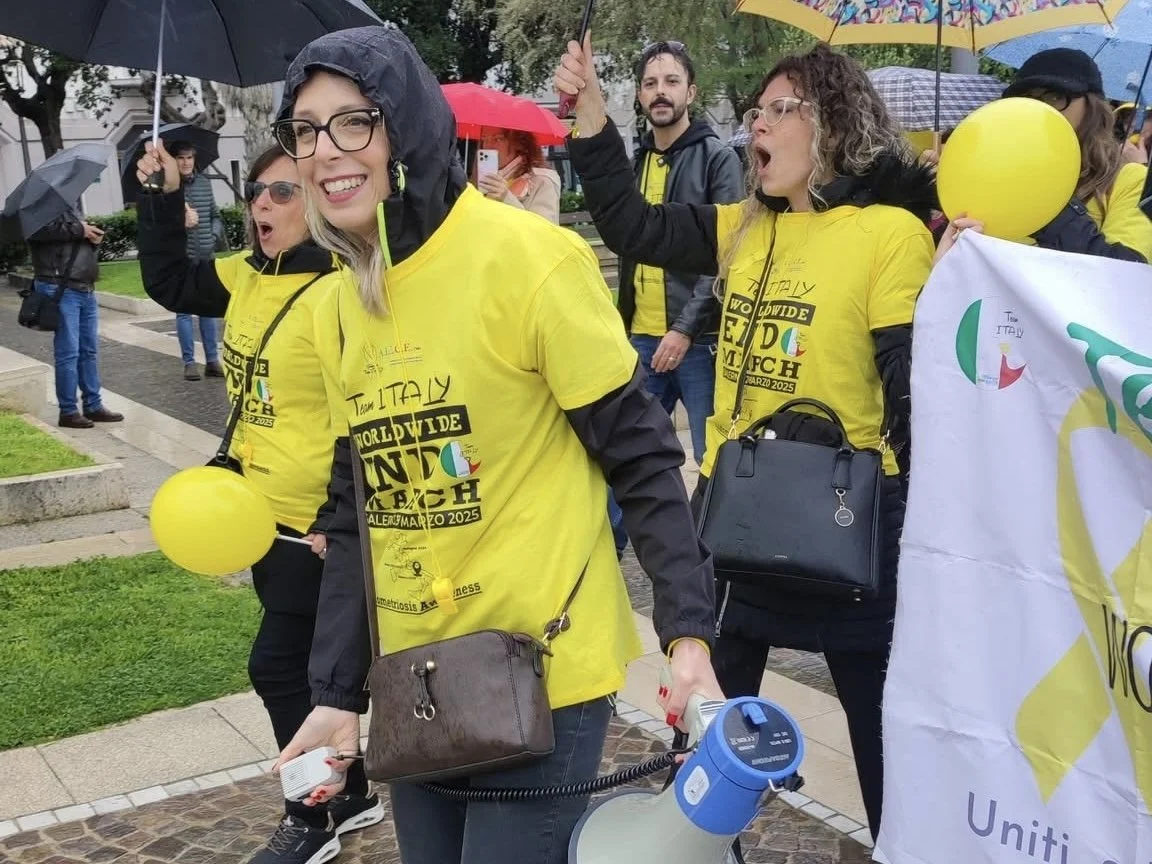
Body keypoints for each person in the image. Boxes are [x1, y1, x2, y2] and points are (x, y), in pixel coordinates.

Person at [268, 26, 722, 864]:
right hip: (418, 678)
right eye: (305, 129)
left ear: (405, 128)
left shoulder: (531, 261)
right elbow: (356, 509)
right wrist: (336, 696)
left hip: (542, 669)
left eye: (353, 121)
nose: (326, 150)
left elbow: (645, 458)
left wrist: (687, 638)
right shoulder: (337, 307)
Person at [556, 36, 937, 847]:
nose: (755, 124)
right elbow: (635, 225)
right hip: (733, 520)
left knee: (881, 746)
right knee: (708, 737)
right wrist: (591, 121)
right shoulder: (743, 227)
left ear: (829, 123)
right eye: (753, 111)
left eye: (777, 109)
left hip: (849, 525)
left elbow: (910, 395)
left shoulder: (890, 235)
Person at [134, 142, 382, 864]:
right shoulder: (246, 274)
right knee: (305, 668)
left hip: (317, 527)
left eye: (281, 193)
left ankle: (312, 818)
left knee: (279, 667)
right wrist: (158, 197)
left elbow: (357, 422)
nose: (261, 207)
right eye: (257, 193)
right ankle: (353, 788)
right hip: (261, 517)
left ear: (317, 200)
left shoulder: (339, 291)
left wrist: (338, 520)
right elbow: (170, 280)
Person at [607, 39, 745, 559]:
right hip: (638, 338)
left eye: (670, 81)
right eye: (649, 83)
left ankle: (718, 567)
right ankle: (605, 563)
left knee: (714, 460)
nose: (660, 92)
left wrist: (686, 328)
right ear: (640, 95)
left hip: (701, 343)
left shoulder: (718, 158)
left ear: (691, 90)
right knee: (628, 458)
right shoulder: (637, 161)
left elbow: (729, 257)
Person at [939, 48, 1152, 262]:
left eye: (1055, 97)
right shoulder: (997, 176)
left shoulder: (1129, 180)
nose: (1039, 109)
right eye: (1027, 99)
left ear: (1092, 106)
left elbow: (1128, 270)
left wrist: (1048, 201)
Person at [28, 209, 123, 429]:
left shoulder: (71, 209)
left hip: (85, 288)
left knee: (89, 350)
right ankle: (68, 411)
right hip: (61, 288)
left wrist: (94, 239)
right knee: (68, 353)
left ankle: (93, 404)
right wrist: (80, 229)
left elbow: (76, 246)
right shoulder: (37, 212)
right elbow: (40, 233)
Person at [172, 141, 225, 381]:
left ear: (194, 159)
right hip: (183, 257)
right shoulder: (170, 187)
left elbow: (215, 215)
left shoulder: (204, 183)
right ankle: (189, 362)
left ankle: (212, 361)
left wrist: (213, 235)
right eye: (181, 158)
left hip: (206, 256)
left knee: (208, 310)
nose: (185, 162)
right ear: (175, 160)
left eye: (189, 157)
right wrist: (180, 223)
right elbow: (162, 224)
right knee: (183, 312)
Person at [475, 127, 563, 222]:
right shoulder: (483, 179)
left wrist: (506, 198)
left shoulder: (542, 180)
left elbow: (543, 230)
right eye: (484, 139)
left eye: (498, 139)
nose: (488, 146)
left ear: (519, 144)